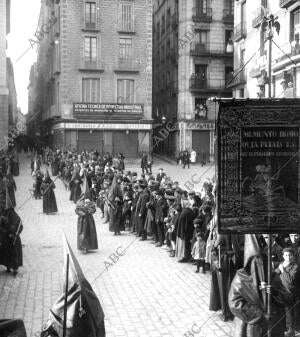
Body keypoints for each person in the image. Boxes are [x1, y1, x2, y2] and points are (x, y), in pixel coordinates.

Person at [275, 248, 300, 337]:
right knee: (285, 312)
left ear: (293, 256)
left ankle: (293, 330)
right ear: (283, 256)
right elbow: (275, 274)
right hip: (282, 292)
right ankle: (286, 329)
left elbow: (290, 280)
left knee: (292, 312)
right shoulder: (282, 264)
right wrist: (279, 269)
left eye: (290, 255)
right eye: (286, 255)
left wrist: (282, 270)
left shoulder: (296, 266)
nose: (288, 257)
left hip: (292, 293)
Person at [0, 191, 23, 275]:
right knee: (6, 252)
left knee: (14, 253)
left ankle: (15, 268)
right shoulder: (4, 215)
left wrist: (15, 233)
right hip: (6, 238)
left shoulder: (16, 216)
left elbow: (20, 226)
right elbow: (1, 226)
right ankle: (8, 266)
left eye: (9, 210)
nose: (7, 212)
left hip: (14, 238)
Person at [75, 185, 98, 254]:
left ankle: (89, 246)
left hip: (90, 220)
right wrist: (83, 213)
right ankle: (84, 247)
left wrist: (90, 211)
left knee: (90, 232)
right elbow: (77, 211)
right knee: (83, 233)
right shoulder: (79, 203)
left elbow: (94, 209)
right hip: (82, 220)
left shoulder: (91, 203)